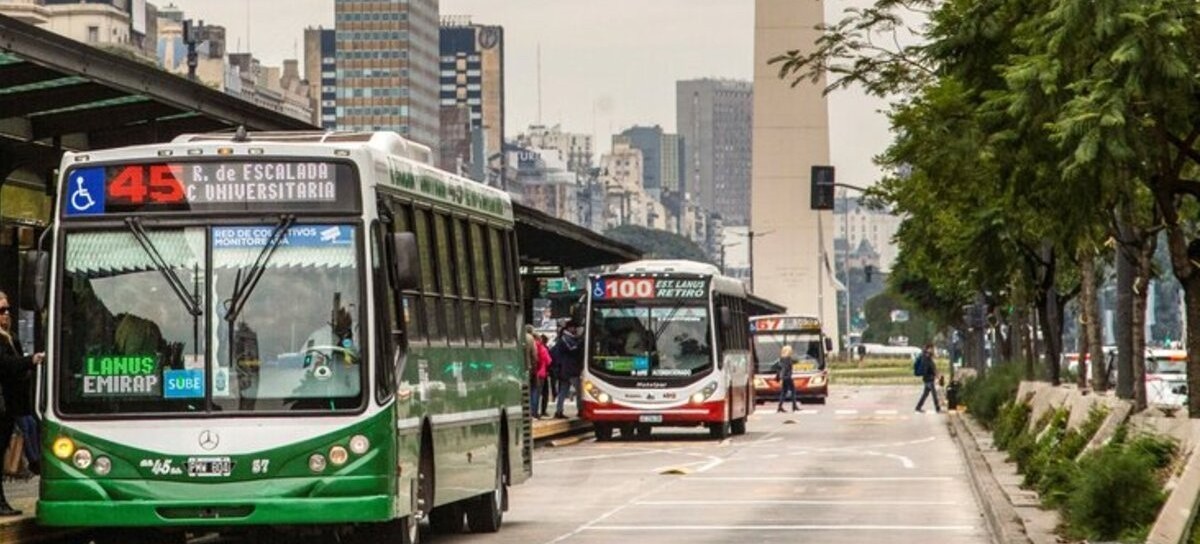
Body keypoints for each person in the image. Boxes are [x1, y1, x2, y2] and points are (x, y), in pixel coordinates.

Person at [0, 291, 45, 517]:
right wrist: (30, 361)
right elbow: (6, 365)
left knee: (29, 426)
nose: (6, 314)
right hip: (4, 405)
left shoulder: (10, 336)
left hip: (12, 405)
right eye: (1, 310)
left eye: (7, 309)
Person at [552, 319, 583, 419]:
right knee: (579, 391)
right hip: (570, 369)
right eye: (574, 327)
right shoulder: (566, 339)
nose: (575, 329)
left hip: (567, 369)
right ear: (569, 328)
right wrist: (581, 342)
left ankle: (559, 411)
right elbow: (572, 350)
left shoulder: (567, 338)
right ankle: (580, 410)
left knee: (564, 391)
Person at [914, 343, 941, 413]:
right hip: (929, 378)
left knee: (925, 394)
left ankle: (918, 407)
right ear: (929, 348)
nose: (933, 350)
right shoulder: (927, 357)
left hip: (927, 378)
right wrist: (936, 374)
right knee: (934, 394)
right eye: (932, 348)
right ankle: (937, 408)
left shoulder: (925, 356)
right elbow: (930, 367)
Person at [773, 345, 800, 413]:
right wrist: (782, 378)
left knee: (784, 392)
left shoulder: (782, 358)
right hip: (787, 377)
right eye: (791, 350)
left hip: (785, 377)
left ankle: (780, 407)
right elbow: (784, 369)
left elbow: (796, 361)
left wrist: (780, 377)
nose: (792, 351)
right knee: (793, 391)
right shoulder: (787, 359)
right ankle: (794, 406)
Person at [533, 334, 552, 419]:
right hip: (541, 373)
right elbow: (548, 361)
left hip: (535, 372)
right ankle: (536, 412)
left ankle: (533, 411)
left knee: (534, 393)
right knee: (538, 393)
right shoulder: (542, 348)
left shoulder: (534, 346)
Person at [538, 335, 553, 417]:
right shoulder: (544, 349)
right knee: (544, 393)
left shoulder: (537, 347)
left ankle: (535, 411)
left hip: (537, 373)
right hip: (543, 373)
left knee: (537, 393)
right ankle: (543, 410)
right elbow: (549, 361)